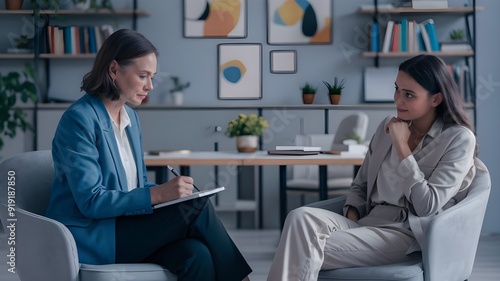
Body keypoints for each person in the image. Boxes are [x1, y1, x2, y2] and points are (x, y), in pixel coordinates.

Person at [45, 29, 252, 281]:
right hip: (94, 236)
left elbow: (137, 186)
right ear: (113, 70)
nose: (150, 86)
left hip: (127, 226)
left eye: (151, 76)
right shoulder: (79, 119)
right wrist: (159, 194)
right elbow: (91, 201)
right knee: (196, 208)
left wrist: (172, 194)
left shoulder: (130, 117)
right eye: (142, 76)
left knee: (196, 254)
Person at [267, 54, 478, 281]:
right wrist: (352, 216)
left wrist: (401, 147)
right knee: (299, 218)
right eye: (397, 89)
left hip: (403, 233)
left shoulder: (458, 139)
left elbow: (427, 205)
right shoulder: (386, 127)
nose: (398, 100)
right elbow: (361, 184)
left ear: (435, 99)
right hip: (365, 223)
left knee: (297, 244)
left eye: (409, 95)